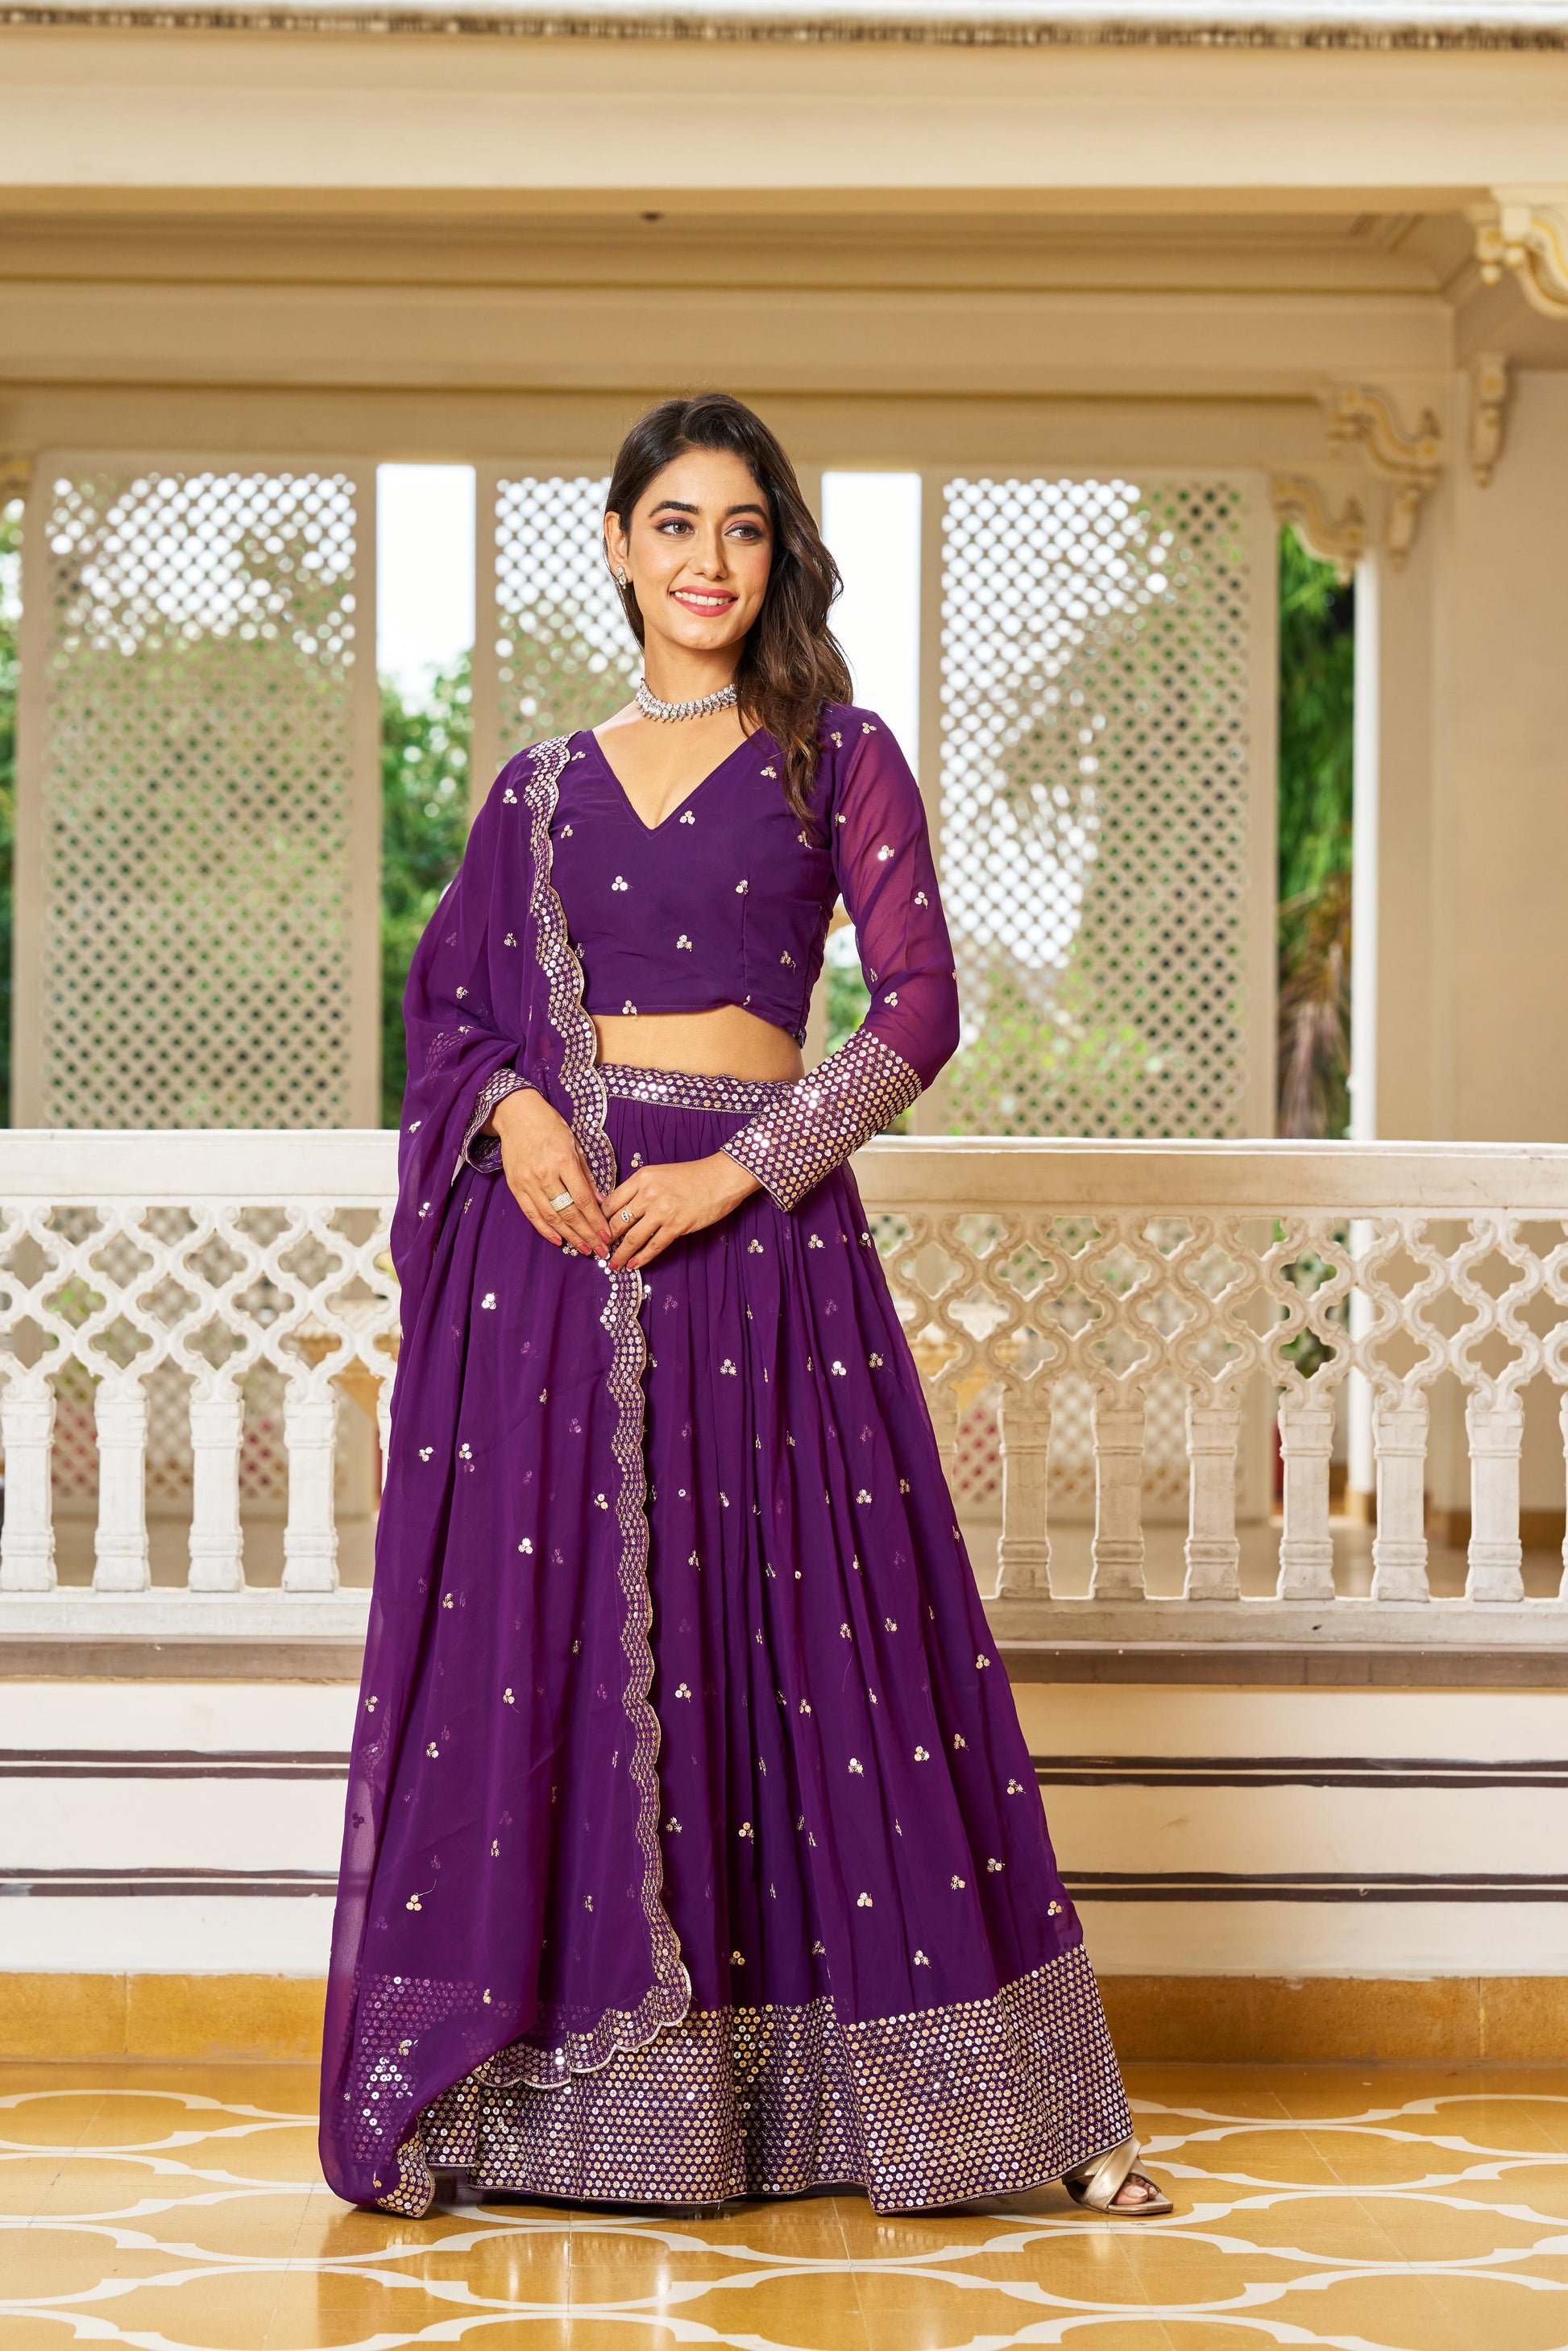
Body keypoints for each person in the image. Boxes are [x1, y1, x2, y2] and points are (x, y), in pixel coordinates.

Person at [320, 392, 1170, 2220]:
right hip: (564, 1258)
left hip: (761, 1245)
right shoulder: (538, 788)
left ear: (776, 556)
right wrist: (514, 1109)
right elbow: (453, 1008)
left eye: (744, 527)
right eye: (675, 524)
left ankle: (990, 2107)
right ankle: (554, 2107)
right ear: (619, 546)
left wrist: (743, 1166)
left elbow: (921, 1010)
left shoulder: (834, 753)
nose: (708, 560)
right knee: (562, 1651)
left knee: (833, 1649)